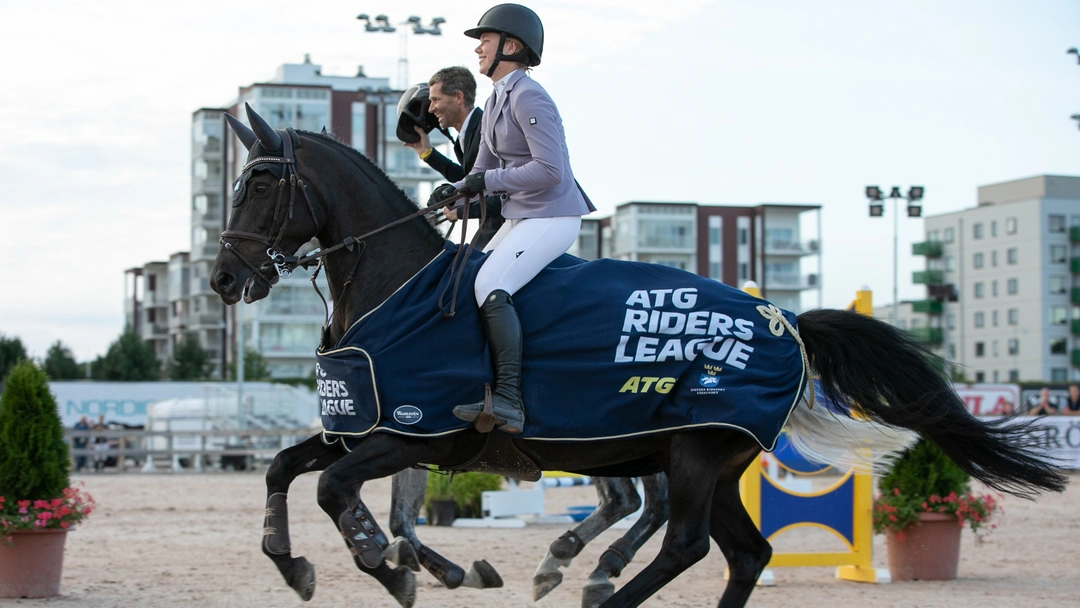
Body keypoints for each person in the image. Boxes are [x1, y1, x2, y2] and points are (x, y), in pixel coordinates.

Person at [428, 4, 595, 434]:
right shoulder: (496, 98)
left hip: (554, 215)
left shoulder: (529, 96)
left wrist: (485, 180)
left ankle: (509, 400)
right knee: (467, 278)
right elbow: (480, 173)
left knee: (488, 283)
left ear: (512, 45)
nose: (479, 47)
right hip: (524, 217)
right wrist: (455, 196)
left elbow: (551, 170)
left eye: (485, 39)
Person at [398, 66, 504, 244]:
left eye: (436, 100)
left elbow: (501, 192)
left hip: (503, 226)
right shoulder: (469, 133)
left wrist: (460, 211)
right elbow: (469, 179)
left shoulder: (483, 130)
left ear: (458, 97)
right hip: (492, 227)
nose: (431, 109)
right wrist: (427, 153)